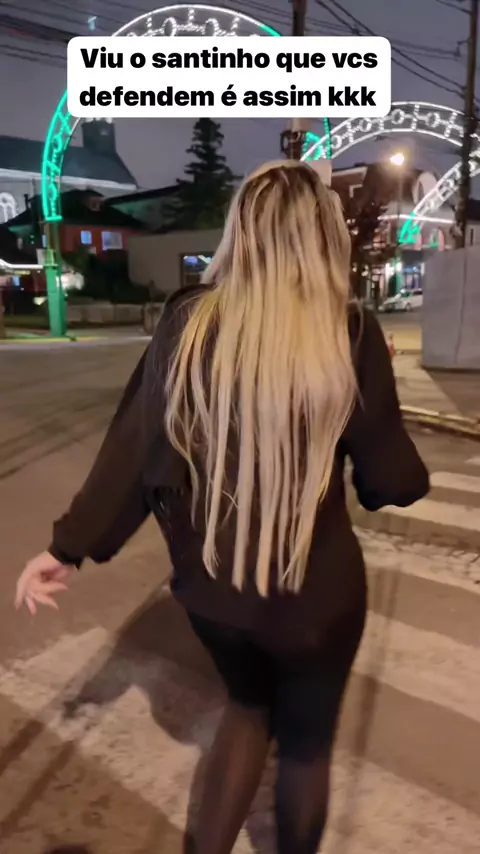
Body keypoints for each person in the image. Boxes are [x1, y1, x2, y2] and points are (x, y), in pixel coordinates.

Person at [15, 161, 429, 854]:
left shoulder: (186, 322)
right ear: (325, 239)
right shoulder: (348, 331)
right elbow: (394, 480)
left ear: (241, 232)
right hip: (316, 597)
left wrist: (66, 548)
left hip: (216, 593)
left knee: (246, 711)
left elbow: (131, 452)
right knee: (304, 749)